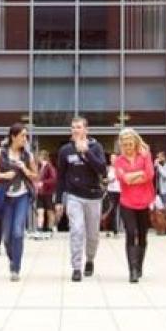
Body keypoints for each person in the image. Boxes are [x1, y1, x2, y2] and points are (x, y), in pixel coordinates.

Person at [56, 117, 108, 282]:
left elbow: (102, 170)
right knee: (77, 230)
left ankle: (90, 259)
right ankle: (76, 267)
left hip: (93, 196)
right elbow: (61, 177)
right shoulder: (65, 150)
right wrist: (58, 200)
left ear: (86, 130)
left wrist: (86, 152)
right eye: (73, 127)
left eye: (78, 127)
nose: (75, 130)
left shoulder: (96, 147)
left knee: (92, 235)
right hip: (74, 196)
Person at [0, 123, 38, 281]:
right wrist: (4, 176)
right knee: (7, 237)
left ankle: (16, 268)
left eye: (26, 135)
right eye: (22, 135)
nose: (25, 138)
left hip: (22, 196)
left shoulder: (27, 155)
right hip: (6, 197)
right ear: (13, 136)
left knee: (18, 231)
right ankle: (12, 259)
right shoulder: (1, 152)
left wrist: (24, 169)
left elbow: (35, 176)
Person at [114, 128, 155, 284]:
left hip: (144, 201)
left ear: (136, 142)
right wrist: (139, 175)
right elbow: (123, 179)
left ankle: (139, 266)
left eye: (130, 143)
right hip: (127, 202)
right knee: (131, 232)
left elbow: (150, 175)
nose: (128, 147)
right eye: (125, 144)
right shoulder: (119, 161)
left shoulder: (145, 156)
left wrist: (132, 176)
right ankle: (132, 270)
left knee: (143, 234)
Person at [34, 150, 58, 239]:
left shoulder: (50, 167)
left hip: (49, 193)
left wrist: (43, 183)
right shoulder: (39, 167)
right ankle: (39, 229)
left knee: (50, 212)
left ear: (43, 157)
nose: (38, 159)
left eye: (39, 157)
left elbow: (54, 179)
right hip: (40, 193)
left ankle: (49, 229)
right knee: (40, 211)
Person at [103, 153, 121, 237]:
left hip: (120, 191)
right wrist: (109, 180)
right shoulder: (108, 169)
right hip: (111, 191)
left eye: (115, 158)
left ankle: (118, 229)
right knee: (111, 210)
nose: (113, 160)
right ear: (110, 159)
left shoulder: (121, 168)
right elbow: (103, 180)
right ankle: (112, 231)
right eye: (112, 158)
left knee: (120, 211)